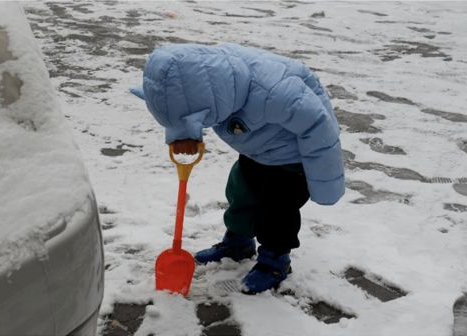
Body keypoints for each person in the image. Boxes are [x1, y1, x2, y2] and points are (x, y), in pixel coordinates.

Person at [131, 43, 345, 294]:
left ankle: (275, 262)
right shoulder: (211, 81)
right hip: (256, 148)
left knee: (276, 211)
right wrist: (184, 132)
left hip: (290, 159)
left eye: (196, 118)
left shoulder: (275, 92)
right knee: (240, 192)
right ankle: (238, 244)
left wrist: (326, 185)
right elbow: (179, 104)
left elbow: (320, 128)